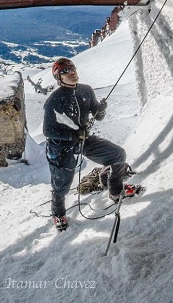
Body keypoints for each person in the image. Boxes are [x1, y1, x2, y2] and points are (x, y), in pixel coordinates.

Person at [43, 57, 129, 232]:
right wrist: (73, 135)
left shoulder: (86, 90)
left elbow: (98, 116)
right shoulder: (54, 99)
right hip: (61, 146)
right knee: (62, 185)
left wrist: (101, 110)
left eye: (73, 69)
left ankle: (115, 190)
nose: (72, 73)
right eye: (66, 71)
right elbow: (48, 130)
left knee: (117, 154)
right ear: (59, 78)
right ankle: (58, 212)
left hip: (83, 139)